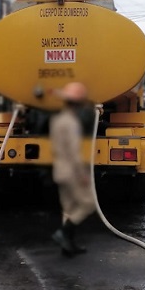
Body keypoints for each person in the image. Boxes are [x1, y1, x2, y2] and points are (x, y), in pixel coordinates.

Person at [50, 82, 96, 257]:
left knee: (68, 209)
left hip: (59, 170)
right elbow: (74, 152)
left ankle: (67, 246)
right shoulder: (72, 123)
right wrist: (82, 173)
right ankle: (63, 233)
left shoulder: (57, 120)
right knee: (88, 204)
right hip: (71, 171)